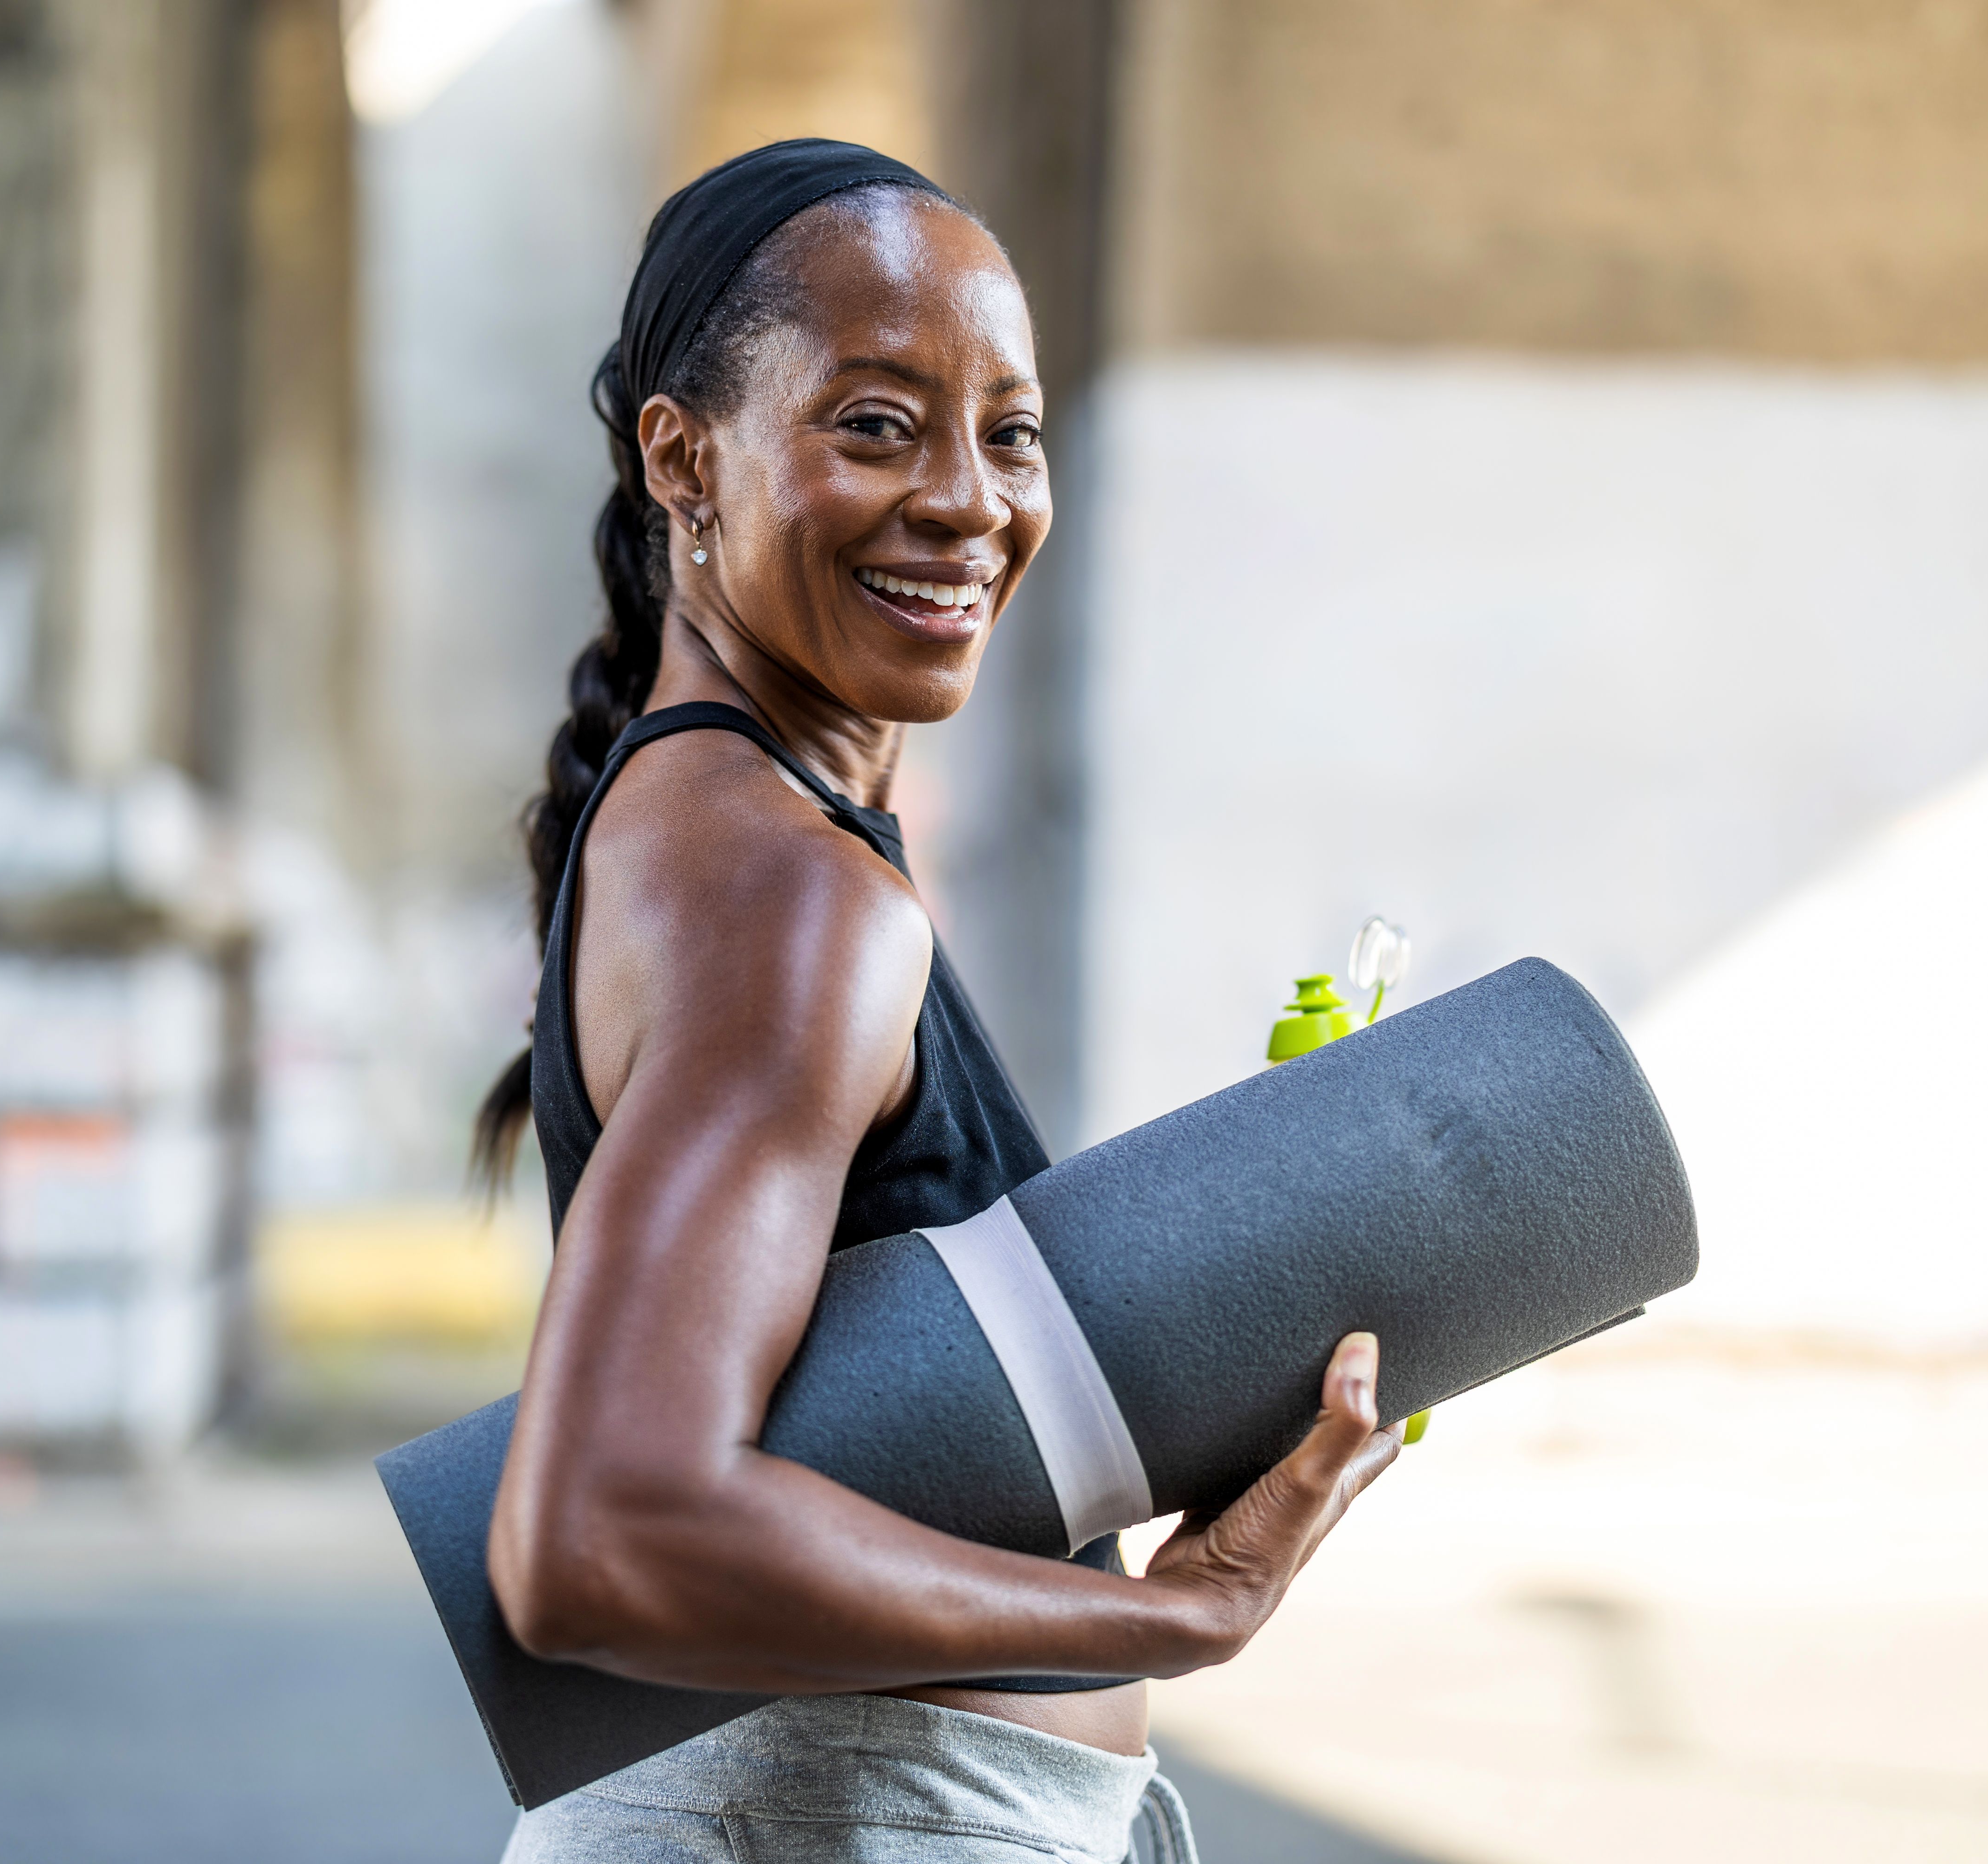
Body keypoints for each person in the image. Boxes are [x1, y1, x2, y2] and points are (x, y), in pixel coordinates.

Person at [473, 139, 1403, 1863]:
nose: (972, 500)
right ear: (685, 461)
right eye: (879, 424)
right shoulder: (791, 892)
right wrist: (1175, 1617)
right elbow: (600, 1532)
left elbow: (849, 1395)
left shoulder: (744, 838)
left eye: (1014, 430)